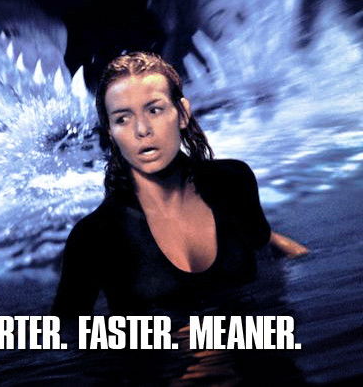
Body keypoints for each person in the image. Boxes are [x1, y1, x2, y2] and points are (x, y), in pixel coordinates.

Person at [53, 51, 307, 318]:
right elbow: (62, 329)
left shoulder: (233, 181)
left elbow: (263, 240)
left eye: (154, 110)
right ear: (111, 133)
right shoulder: (94, 236)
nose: (142, 129)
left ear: (182, 113)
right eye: (122, 119)